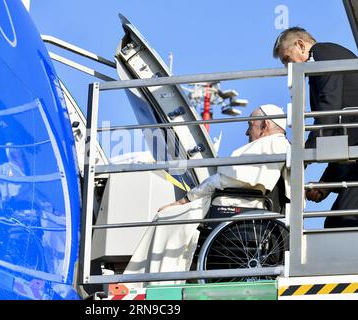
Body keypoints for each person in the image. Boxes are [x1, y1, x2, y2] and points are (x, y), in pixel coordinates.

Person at [123, 105, 290, 287]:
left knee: (166, 217)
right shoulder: (282, 146)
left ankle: (152, 282)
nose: (246, 132)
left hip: (231, 209)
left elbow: (221, 181)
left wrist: (184, 200)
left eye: (250, 125)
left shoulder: (268, 145)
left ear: (264, 125)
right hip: (247, 211)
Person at [273, 27, 358, 228]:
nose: (288, 67)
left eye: (287, 58)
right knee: (336, 223)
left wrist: (305, 153)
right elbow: (341, 134)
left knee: (343, 223)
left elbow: (329, 107)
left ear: (301, 45)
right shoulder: (323, 62)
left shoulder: (322, 53)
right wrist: (326, 185)